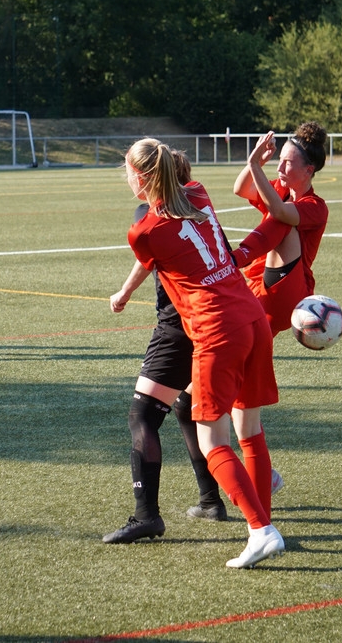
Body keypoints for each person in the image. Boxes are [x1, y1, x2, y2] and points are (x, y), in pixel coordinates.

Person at [104, 149, 286, 545]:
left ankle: (251, 527)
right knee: (241, 429)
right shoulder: (200, 194)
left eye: (128, 172)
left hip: (203, 325)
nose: (126, 180)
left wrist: (123, 291)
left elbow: (150, 253)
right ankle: (228, 507)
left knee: (156, 420)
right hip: (248, 315)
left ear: (142, 177)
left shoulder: (144, 228)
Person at [231, 122, 329, 335]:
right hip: (258, 286)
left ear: (308, 170)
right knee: (241, 352)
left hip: (288, 293)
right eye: (279, 160)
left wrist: (255, 165)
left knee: (285, 222)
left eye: (287, 163)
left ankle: (233, 260)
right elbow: (241, 189)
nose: (279, 168)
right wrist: (255, 164)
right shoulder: (279, 189)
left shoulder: (316, 207)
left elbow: (280, 212)